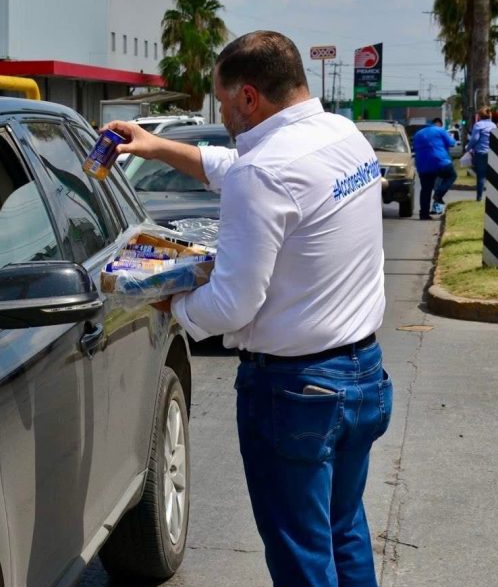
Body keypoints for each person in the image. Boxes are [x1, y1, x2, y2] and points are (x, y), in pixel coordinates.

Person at [105, 31, 391, 587]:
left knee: (302, 556)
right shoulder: (342, 135)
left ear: (249, 98)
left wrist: (168, 298)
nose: (221, 112)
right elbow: (233, 166)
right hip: (363, 375)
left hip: (297, 391)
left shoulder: (264, 172)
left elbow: (233, 304)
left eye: (222, 99)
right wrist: (154, 144)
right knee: (343, 531)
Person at [412, 117, 458, 219]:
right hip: (440, 161)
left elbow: (414, 148)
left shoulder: (418, 134)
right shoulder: (440, 130)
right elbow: (452, 143)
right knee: (452, 175)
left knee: (425, 190)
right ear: (439, 124)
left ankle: (424, 214)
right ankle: (438, 194)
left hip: (422, 164)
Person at [467, 107, 496, 201]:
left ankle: (479, 197)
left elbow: (474, 139)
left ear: (479, 116)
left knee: (481, 175)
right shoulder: (493, 125)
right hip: (491, 152)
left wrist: (468, 148)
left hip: (481, 152)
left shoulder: (478, 125)